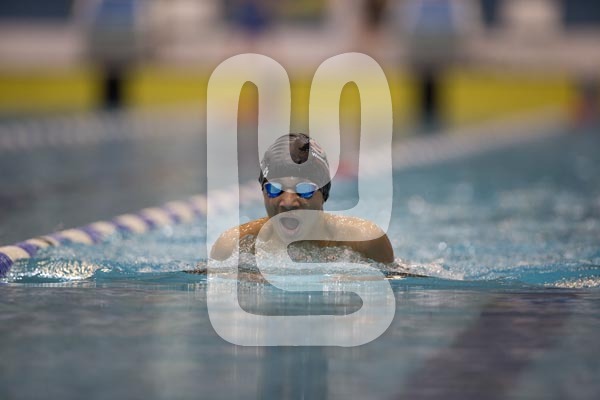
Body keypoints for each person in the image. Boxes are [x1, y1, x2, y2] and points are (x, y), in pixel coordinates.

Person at [210, 133, 395, 264]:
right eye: (275, 189)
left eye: (304, 189)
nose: (288, 202)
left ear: (323, 194)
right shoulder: (235, 246)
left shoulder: (365, 241)